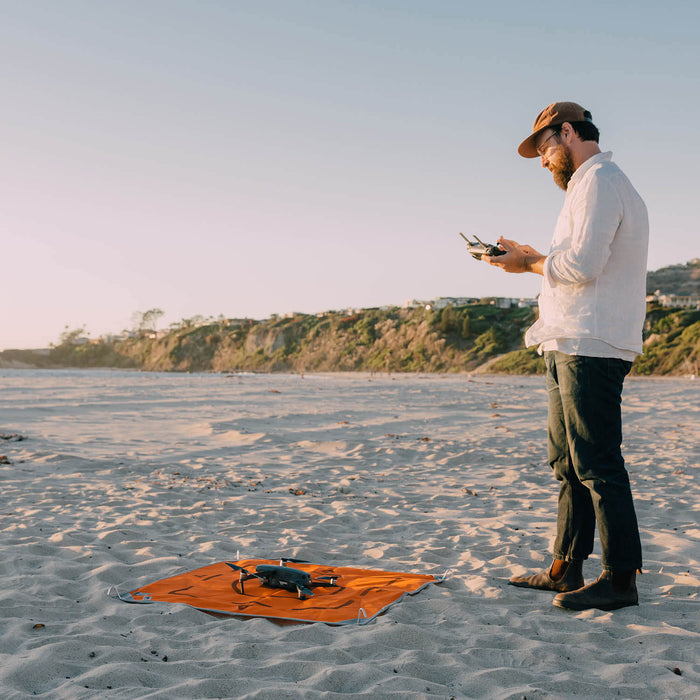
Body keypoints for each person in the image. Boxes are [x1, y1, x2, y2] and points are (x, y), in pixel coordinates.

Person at [482, 101, 648, 611]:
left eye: (544, 148)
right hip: (569, 338)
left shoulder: (601, 181)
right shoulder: (589, 186)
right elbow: (571, 262)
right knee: (568, 462)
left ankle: (620, 581)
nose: (542, 161)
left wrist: (526, 262)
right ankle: (566, 566)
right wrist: (530, 256)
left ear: (569, 132)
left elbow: (582, 264)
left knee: (596, 461)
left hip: (590, 342)